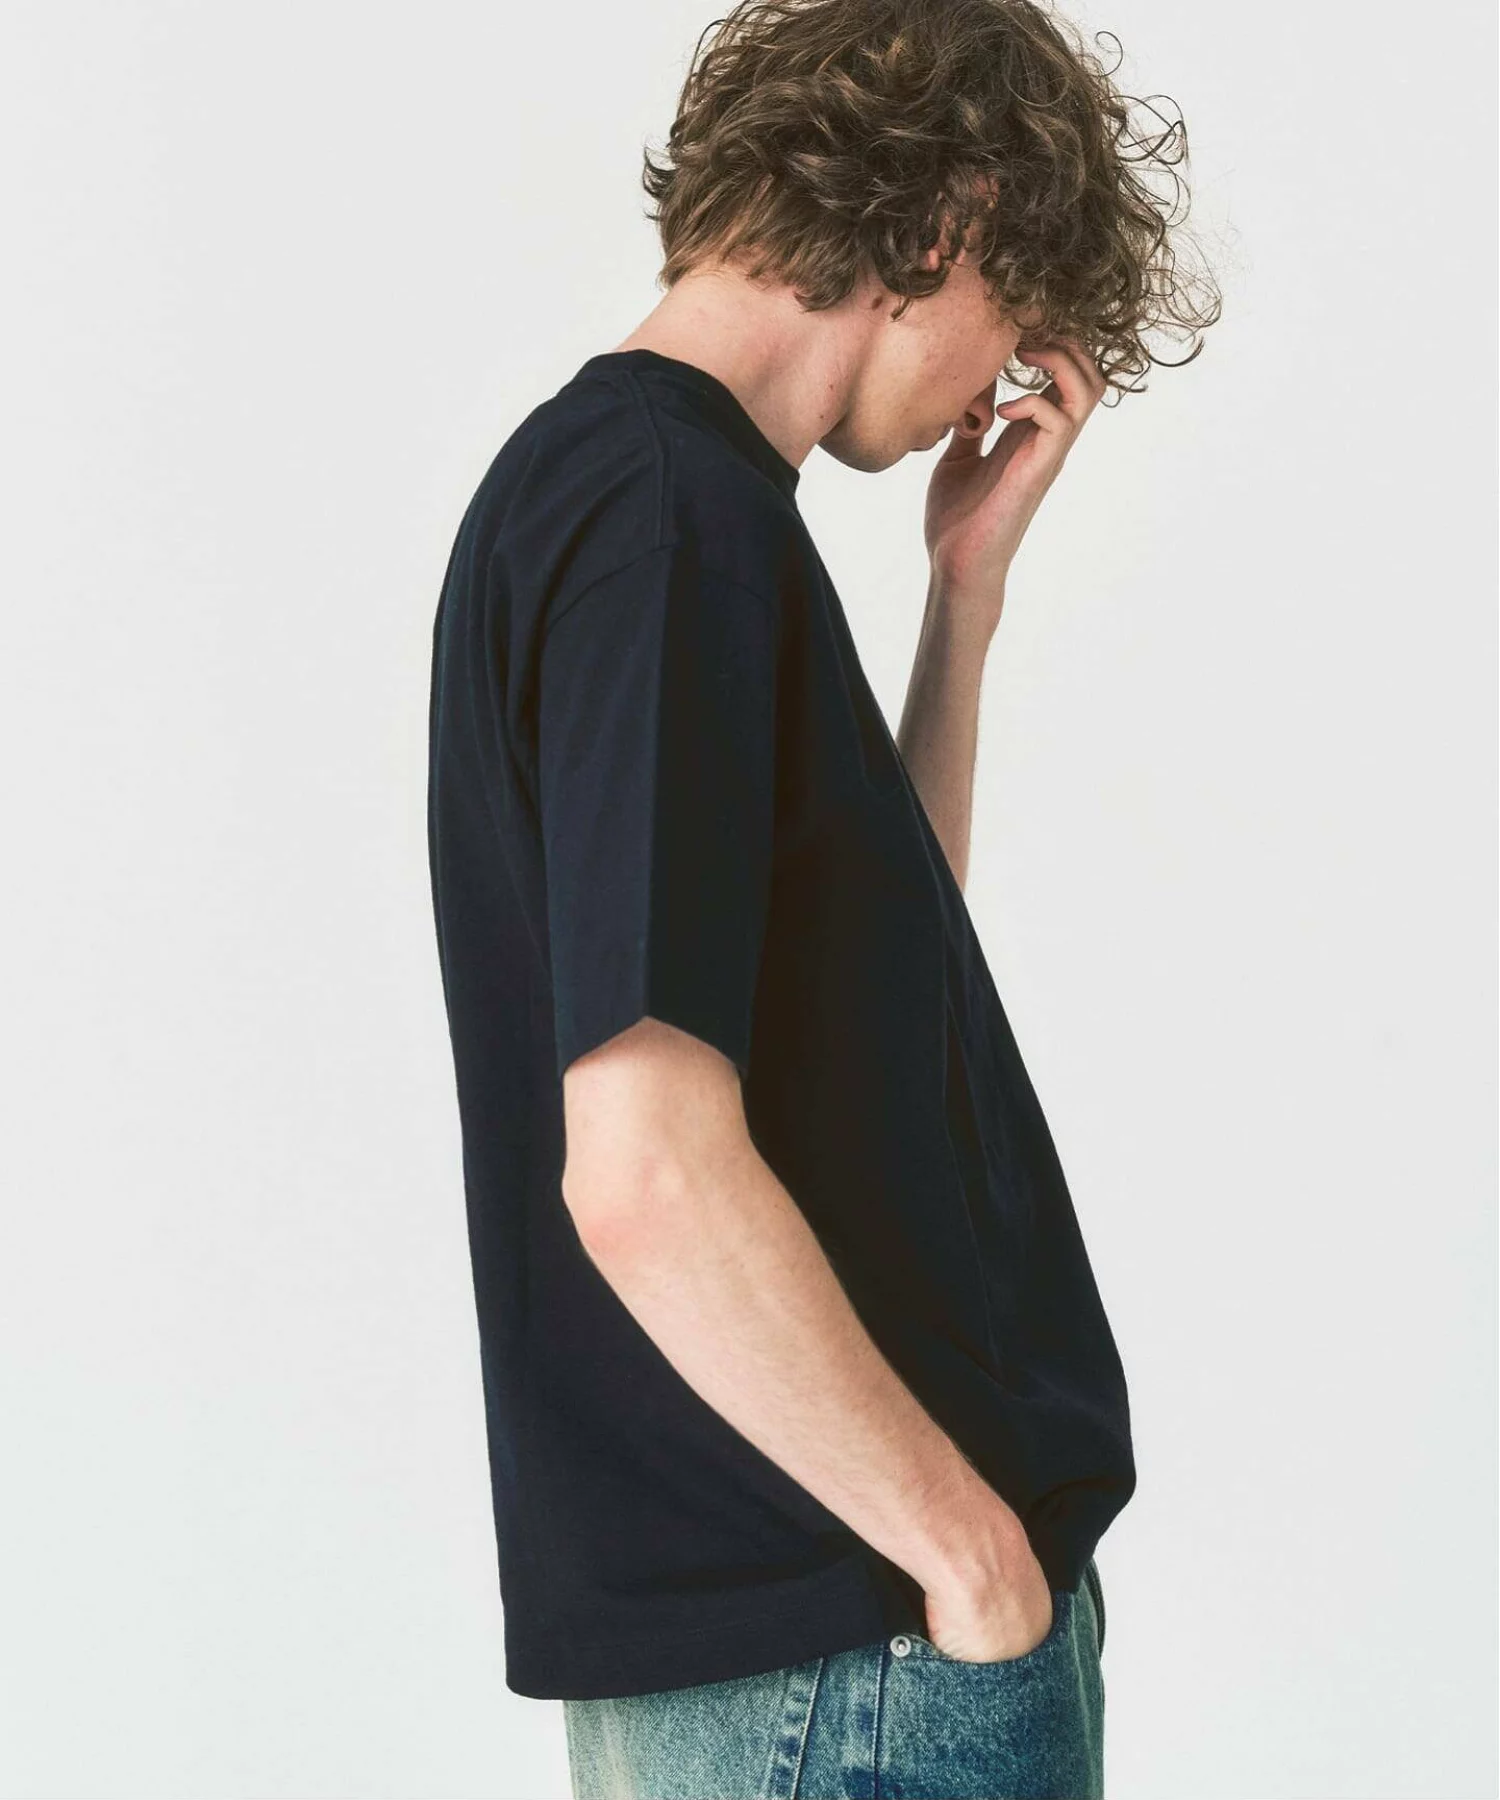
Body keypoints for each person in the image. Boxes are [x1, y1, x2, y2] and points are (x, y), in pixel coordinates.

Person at [425, 0, 1218, 1792]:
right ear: (951, 219)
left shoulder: (650, 505)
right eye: (1021, 309)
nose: (1001, 375)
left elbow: (866, 999)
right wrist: (972, 1557)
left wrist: (963, 601)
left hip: (804, 1646)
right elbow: (643, 1172)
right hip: (845, 1644)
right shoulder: (666, 522)